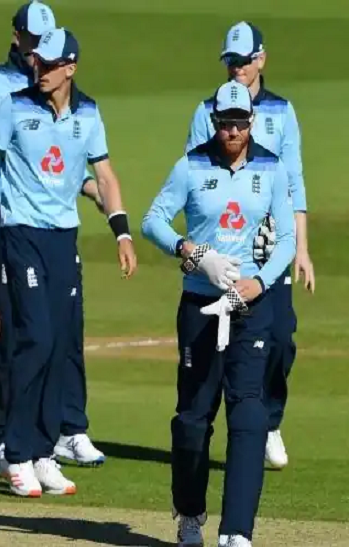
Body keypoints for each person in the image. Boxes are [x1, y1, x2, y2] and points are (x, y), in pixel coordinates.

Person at [0, 28, 136, 498]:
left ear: (71, 68)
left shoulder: (88, 113)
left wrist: (121, 231)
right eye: (37, 61)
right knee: (36, 338)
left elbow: (105, 176)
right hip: (21, 235)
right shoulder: (15, 107)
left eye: (50, 63)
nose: (39, 68)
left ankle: (43, 452)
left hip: (63, 238)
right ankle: (16, 451)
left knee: (59, 344)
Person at [142, 80, 296, 547]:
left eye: (240, 123)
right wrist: (191, 252)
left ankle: (236, 532)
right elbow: (153, 221)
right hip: (201, 303)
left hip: (251, 304)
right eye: (225, 123)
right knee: (193, 418)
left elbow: (286, 239)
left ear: (251, 121)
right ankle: (190, 514)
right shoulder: (191, 166)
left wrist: (259, 282)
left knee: (248, 413)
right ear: (214, 122)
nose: (232, 132)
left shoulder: (271, 167)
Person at [0, 0, 106, 469]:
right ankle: (9, 434)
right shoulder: (0, 87)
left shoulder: (71, 100)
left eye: (46, 44)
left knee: (63, 330)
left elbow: (64, 152)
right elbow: (24, 155)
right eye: (33, 43)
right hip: (11, 218)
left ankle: (66, 428)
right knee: (17, 332)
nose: (38, 55)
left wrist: (91, 189)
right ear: (17, 38)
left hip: (55, 223)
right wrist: (86, 184)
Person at [184, 21, 314, 470]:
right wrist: (199, 252)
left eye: (244, 60)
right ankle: (226, 430)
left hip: (270, 252)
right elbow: (194, 179)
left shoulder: (281, 111)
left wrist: (301, 248)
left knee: (280, 340)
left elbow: (294, 183)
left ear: (261, 59)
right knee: (214, 352)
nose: (237, 68)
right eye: (231, 61)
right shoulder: (207, 111)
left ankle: (268, 422)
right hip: (221, 252)